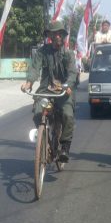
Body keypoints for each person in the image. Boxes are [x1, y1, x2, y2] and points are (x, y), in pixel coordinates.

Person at [21, 21, 77, 163]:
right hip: (46, 90)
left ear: (63, 36)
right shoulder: (42, 52)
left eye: (60, 33)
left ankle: (64, 146)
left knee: (67, 115)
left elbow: (72, 73)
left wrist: (68, 85)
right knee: (37, 113)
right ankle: (44, 137)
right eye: (54, 33)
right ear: (50, 36)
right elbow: (34, 68)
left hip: (64, 91)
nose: (57, 36)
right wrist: (29, 82)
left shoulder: (69, 54)